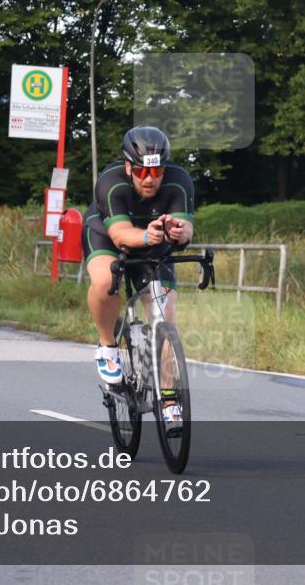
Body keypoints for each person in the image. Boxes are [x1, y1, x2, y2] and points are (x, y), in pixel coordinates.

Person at [83, 126, 194, 429]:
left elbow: (186, 228)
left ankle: (169, 400)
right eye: (142, 171)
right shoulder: (111, 181)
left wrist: (180, 231)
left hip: (155, 240)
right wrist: (146, 235)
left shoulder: (179, 180)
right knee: (105, 282)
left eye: (157, 171)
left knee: (165, 315)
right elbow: (120, 235)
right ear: (129, 167)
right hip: (107, 235)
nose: (150, 179)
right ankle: (107, 346)